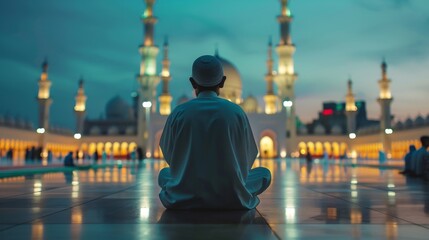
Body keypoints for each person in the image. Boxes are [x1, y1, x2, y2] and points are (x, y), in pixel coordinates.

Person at [158, 55, 271, 209]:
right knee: (264, 174)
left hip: (183, 194)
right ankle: (234, 193)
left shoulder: (179, 112)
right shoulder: (236, 112)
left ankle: (184, 193)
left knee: (164, 174)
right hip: (231, 195)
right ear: (223, 82)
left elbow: (169, 154)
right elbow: (248, 157)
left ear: (192, 82)